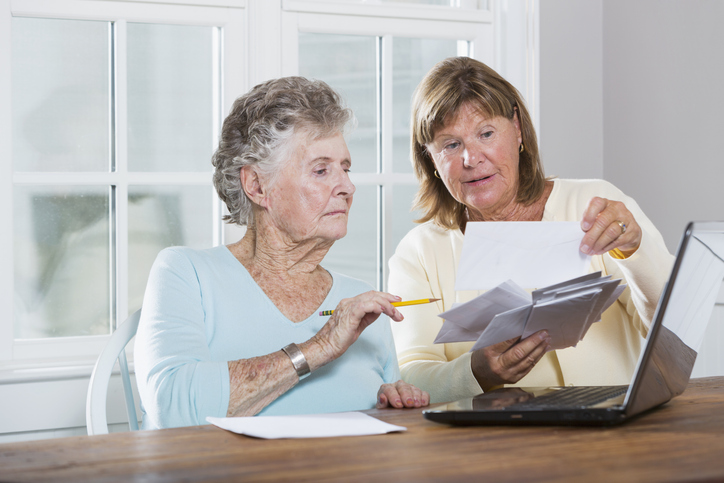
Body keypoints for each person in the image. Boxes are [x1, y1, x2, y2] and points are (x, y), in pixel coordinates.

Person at [135, 76, 429, 429]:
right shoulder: (186, 273)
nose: (347, 187)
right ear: (258, 186)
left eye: (346, 168)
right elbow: (172, 406)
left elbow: (385, 410)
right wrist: (320, 346)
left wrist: (396, 400)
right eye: (321, 170)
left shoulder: (359, 299)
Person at [388, 57, 674, 404]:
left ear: (518, 129)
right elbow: (413, 374)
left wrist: (634, 250)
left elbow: (669, 328)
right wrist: (477, 372)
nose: (470, 158)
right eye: (450, 145)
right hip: (495, 447)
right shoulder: (418, 252)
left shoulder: (596, 203)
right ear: (430, 160)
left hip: (613, 436)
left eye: (486, 134)